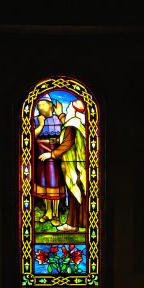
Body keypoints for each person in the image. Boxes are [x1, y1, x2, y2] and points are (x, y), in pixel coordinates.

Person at [53, 99, 88, 232]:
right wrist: (61, 114)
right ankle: (83, 222)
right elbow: (70, 130)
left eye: (68, 110)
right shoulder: (79, 124)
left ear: (72, 112)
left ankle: (72, 225)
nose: (67, 111)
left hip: (73, 166)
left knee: (74, 194)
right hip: (80, 167)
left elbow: (67, 143)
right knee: (81, 194)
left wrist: (52, 154)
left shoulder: (72, 126)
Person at [33, 93, 67, 225]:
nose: (41, 108)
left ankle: (55, 214)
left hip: (55, 155)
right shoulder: (36, 120)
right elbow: (29, 135)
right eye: (39, 105)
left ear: (50, 105)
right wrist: (40, 125)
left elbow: (67, 133)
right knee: (45, 184)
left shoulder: (58, 119)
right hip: (40, 156)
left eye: (43, 104)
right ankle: (48, 212)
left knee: (54, 184)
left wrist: (61, 115)